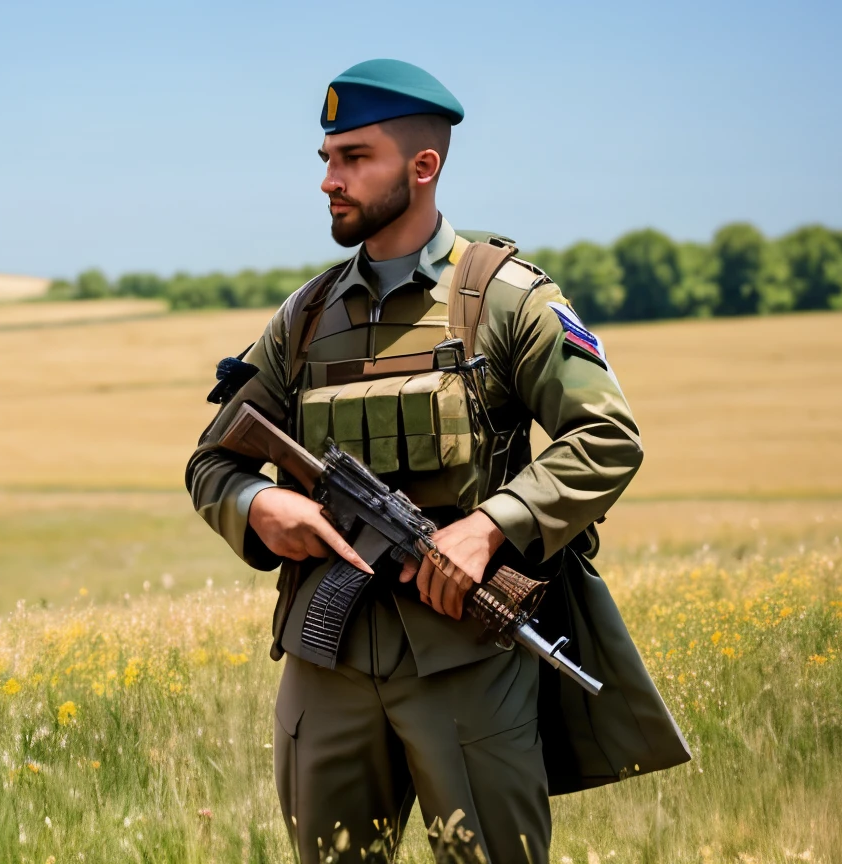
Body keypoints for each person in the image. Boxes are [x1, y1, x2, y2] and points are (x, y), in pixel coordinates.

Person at [185, 59, 690, 863]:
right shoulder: (305, 317)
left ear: (424, 167)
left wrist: (492, 525)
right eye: (326, 159)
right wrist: (258, 507)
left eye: (355, 158)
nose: (329, 181)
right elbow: (212, 464)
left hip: (467, 664)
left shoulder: (506, 297)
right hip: (330, 664)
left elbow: (608, 437)